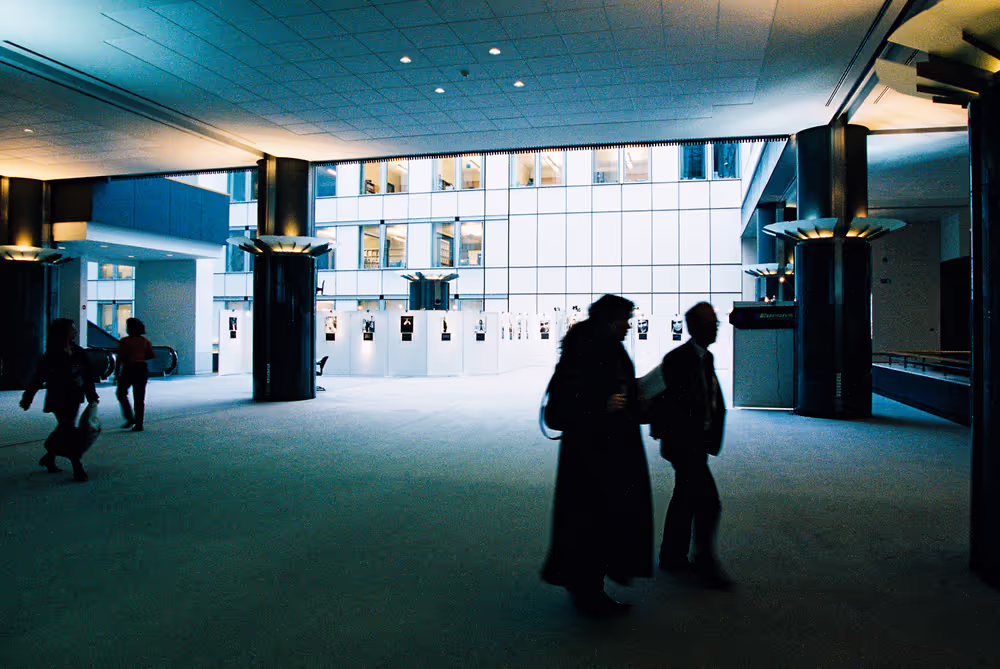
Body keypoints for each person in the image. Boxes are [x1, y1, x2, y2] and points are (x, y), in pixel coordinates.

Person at [541, 294, 654, 617]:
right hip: (591, 460)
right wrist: (599, 408)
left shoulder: (603, 347)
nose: (629, 326)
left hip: (607, 454)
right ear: (610, 320)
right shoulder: (587, 350)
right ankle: (588, 591)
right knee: (590, 523)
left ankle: (589, 587)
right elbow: (558, 412)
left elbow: (616, 391)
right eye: (625, 320)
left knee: (599, 522)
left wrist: (638, 402)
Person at [650, 302, 733, 589]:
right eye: (712, 323)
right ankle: (704, 563)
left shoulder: (704, 357)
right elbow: (665, 402)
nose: (717, 327)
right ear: (696, 327)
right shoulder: (677, 359)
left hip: (697, 443)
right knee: (708, 503)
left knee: (685, 498)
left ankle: (671, 556)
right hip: (685, 445)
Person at [20, 318, 100, 482]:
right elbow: (39, 376)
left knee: (65, 427)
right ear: (63, 332)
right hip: (58, 396)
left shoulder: (78, 352)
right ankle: (77, 467)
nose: (75, 331)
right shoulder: (52, 354)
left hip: (75, 396)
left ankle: (50, 455)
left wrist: (91, 395)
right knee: (68, 428)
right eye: (72, 328)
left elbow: (87, 376)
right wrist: (28, 396)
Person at [115, 317, 155, 432]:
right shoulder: (145, 341)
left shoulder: (124, 341)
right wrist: (141, 357)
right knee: (139, 397)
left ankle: (129, 417)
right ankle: (139, 424)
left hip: (128, 368)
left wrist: (117, 373)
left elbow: (120, 358)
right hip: (141, 368)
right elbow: (151, 355)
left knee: (121, 393)